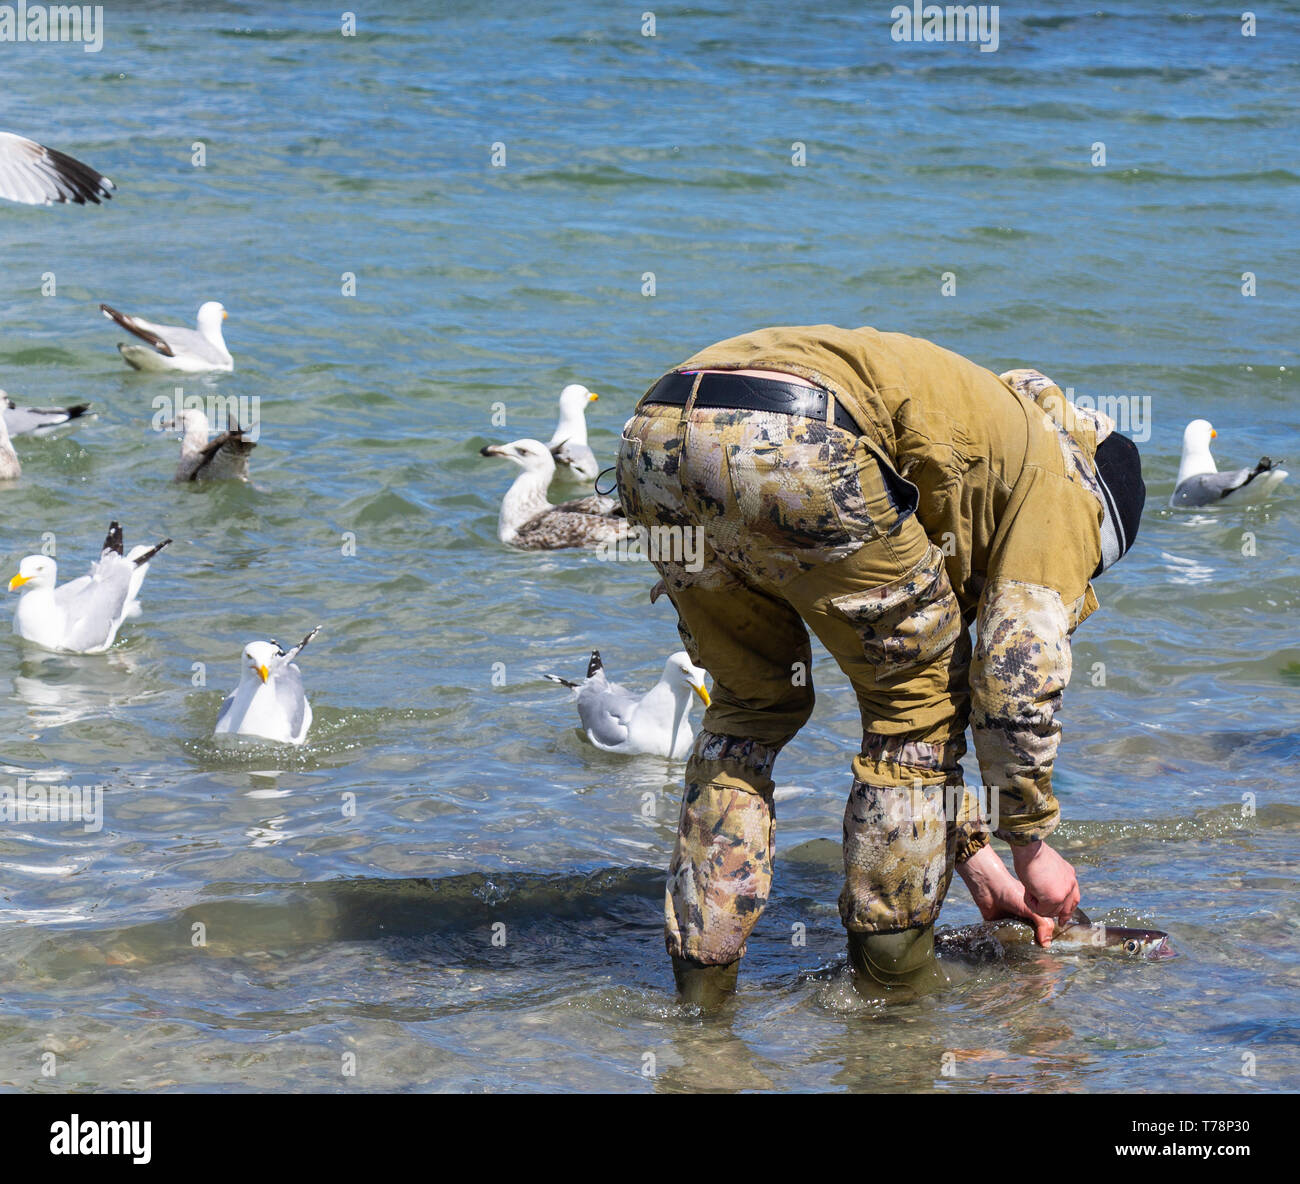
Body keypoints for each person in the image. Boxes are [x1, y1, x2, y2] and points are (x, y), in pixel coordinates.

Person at [615, 325, 1145, 1005]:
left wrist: (976, 860)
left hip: (655, 435)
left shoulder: (993, 431)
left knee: (750, 707)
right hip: (799, 438)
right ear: (1101, 520)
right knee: (913, 717)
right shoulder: (1065, 487)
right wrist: (1030, 844)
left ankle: (702, 1003)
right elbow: (1017, 679)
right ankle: (891, 1002)